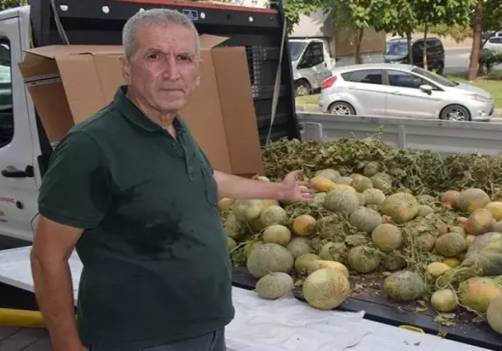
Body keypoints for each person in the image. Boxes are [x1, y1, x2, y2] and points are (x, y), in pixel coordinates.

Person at [30, 8, 311, 351]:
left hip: (208, 326)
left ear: (198, 72)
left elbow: (206, 179)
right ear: (126, 67)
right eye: (154, 56)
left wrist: (279, 189)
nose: (172, 72)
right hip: (142, 339)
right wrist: (66, 345)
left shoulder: (174, 127)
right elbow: (47, 256)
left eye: (184, 58)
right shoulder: (92, 145)